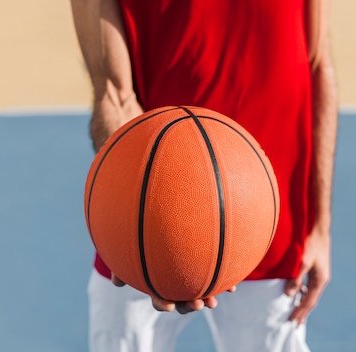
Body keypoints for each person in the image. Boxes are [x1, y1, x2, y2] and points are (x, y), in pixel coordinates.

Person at [70, 0, 338, 351]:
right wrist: (136, 229)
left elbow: (316, 63)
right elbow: (115, 95)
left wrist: (319, 227)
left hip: (268, 219)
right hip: (151, 219)